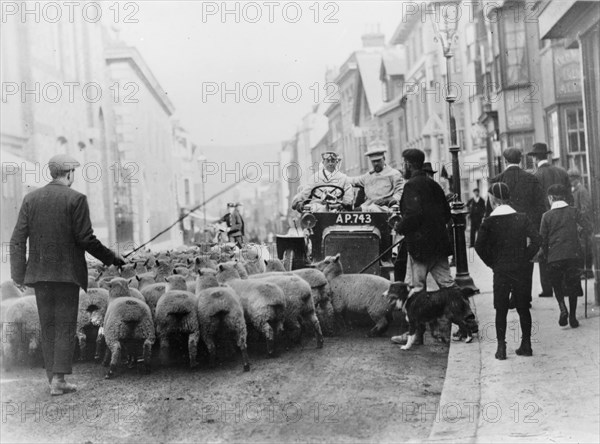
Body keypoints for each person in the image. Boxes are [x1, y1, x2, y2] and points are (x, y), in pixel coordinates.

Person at [10, 154, 126, 396]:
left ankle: (53, 378)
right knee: (64, 325)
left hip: (39, 275)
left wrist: (18, 275)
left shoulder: (30, 199)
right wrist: (111, 258)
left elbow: (17, 240)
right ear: (69, 174)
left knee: (48, 324)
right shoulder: (76, 199)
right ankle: (59, 380)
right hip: (67, 275)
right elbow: (86, 239)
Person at [475, 182, 542, 360]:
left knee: (501, 308)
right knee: (522, 308)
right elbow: (537, 239)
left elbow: (479, 246)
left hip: (501, 270)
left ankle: (501, 348)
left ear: (493, 199)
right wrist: (525, 256)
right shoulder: (522, 217)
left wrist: (493, 263)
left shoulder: (488, 222)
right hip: (520, 268)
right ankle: (526, 344)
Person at [488, 148, 546, 298]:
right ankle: (525, 295)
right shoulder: (532, 179)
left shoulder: (496, 180)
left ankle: (512, 292)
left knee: (507, 261)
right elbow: (540, 206)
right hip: (526, 228)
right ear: (520, 160)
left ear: (505, 161)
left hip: (503, 230)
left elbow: (490, 209)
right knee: (526, 261)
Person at [539, 184, 591, 328]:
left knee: (557, 285)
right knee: (573, 285)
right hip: (573, 255)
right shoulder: (573, 211)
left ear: (551, 198)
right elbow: (588, 226)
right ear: (563, 197)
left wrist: (546, 253)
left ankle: (562, 308)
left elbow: (542, 239)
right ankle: (573, 318)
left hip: (554, 256)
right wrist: (579, 234)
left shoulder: (546, 216)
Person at [527, 142, 572, 297]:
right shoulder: (562, 172)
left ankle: (547, 289)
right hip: (565, 217)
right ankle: (565, 286)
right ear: (547, 155)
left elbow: (533, 205)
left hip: (543, 220)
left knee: (544, 251)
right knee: (564, 250)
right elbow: (571, 198)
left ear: (534, 158)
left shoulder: (533, 177)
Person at [348, 140, 403, 212]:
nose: (376, 163)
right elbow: (354, 181)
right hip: (366, 208)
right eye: (373, 161)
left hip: (384, 209)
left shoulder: (394, 174)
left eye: (378, 160)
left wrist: (389, 200)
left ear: (384, 158)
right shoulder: (368, 176)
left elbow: (400, 192)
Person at [568, 168, 593, 276]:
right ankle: (584, 271)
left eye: (572, 178)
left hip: (583, 225)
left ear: (576, 179)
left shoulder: (581, 191)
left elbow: (585, 208)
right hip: (578, 225)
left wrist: (580, 223)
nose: (570, 181)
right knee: (581, 249)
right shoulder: (574, 190)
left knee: (585, 249)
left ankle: (587, 271)